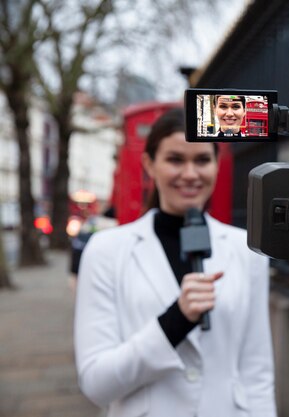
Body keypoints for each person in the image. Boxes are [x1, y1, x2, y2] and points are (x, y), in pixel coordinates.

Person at [74, 108, 276, 417]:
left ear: (216, 164)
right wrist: (175, 321)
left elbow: (257, 371)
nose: (191, 174)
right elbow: (96, 384)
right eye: (175, 160)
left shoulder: (246, 250)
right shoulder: (106, 251)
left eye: (202, 160)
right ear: (149, 164)